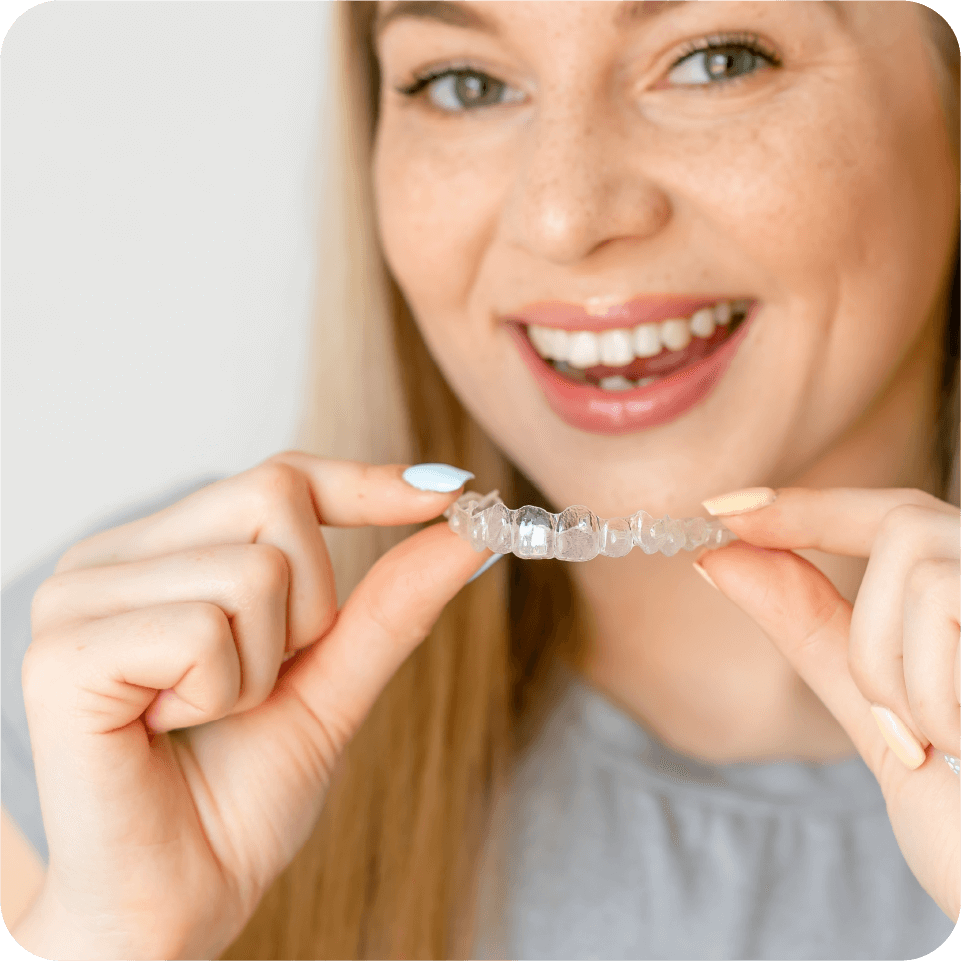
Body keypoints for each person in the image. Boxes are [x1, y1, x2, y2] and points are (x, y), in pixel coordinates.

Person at [3, 2, 959, 958]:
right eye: (464, 83)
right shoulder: (104, 715)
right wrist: (115, 937)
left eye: (716, 60)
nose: (559, 216)